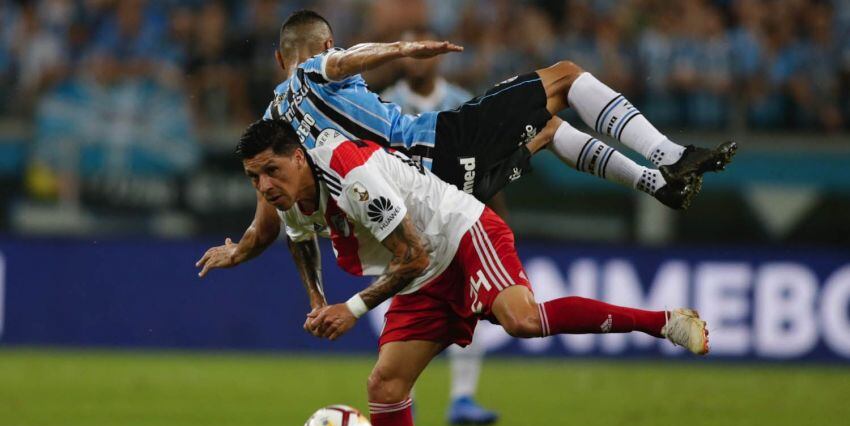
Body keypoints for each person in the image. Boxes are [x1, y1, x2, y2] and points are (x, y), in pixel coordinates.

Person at [209, 118, 711, 426]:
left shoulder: (351, 175)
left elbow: (415, 255)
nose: (265, 186)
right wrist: (318, 302)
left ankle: (664, 322)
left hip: (458, 234)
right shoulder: (286, 196)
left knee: (521, 319)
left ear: (298, 157)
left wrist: (354, 308)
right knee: (384, 386)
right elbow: (300, 243)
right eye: (254, 178)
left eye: (271, 171)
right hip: (421, 272)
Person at [196, 10, 737, 286]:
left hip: (428, 202)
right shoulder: (317, 70)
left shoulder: (274, 138)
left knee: (545, 130)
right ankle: (669, 156)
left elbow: (268, 220)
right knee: (566, 78)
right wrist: (407, 48)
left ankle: (658, 185)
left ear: (276, 58)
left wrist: (236, 252)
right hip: (440, 151)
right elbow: (350, 59)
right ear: (322, 46)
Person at [382, 27, 497, 426]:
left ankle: (463, 397)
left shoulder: (461, 104)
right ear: (400, 57)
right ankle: (401, 394)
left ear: (438, 56)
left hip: (456, 220)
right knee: (403, 309)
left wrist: (497, 218)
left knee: (471, 304)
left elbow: (485, 169)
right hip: (400, 226)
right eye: (409, 52)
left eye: (423, 52)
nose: (417, 59)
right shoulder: (383, 104)